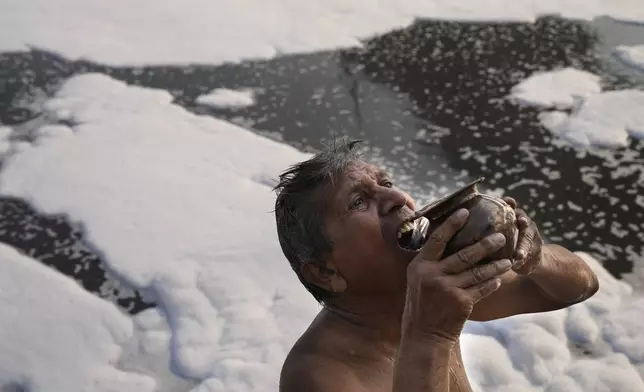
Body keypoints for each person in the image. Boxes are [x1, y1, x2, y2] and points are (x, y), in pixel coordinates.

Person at [273, 139, 599, 392]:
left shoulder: (427, 289)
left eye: (386, 183)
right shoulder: (318, 376)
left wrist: (535, 259)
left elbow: (580, 287)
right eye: (358, 202)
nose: (399, 198)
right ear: (325, 272)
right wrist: (430, 333)